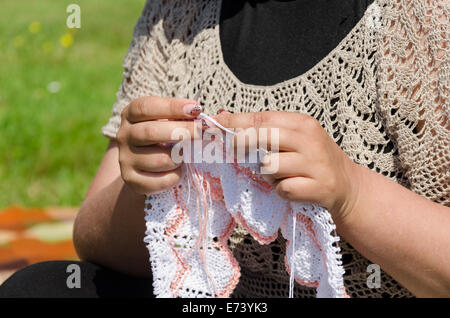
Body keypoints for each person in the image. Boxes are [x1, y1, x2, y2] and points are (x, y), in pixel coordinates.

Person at [1, 0, 448, 298]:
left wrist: (352, 193)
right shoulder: (179, 14)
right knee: (38, 288)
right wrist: (147, 189)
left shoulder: (421, 20)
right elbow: (93, 243)